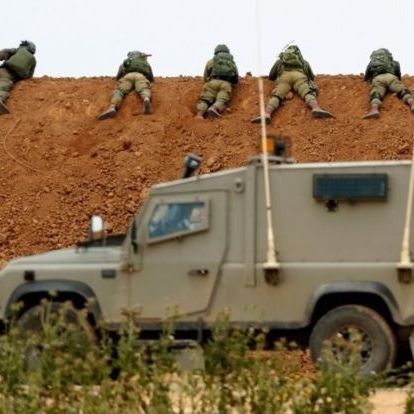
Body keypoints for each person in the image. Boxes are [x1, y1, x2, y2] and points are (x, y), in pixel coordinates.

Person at [251, 45, 333, 124]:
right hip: (299, 77)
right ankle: (315, 108)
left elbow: (271, 76)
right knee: (306, 92)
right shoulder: (303, 62)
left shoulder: (280, 61)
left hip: (285, 78)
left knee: (277, 95)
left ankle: (267, 114)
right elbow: (311, 77)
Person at [98, 51, 154, 120]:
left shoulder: (128, 61)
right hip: (140, 76)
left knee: (120, 91)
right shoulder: (145, 63)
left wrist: (118, 78)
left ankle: (112, 107)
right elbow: (151, 77)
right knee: (143, 89)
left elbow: (120, 72)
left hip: (128, 77)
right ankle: (146, 99)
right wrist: (148, 80)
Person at [363, 48, 414, 119]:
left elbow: (367, 74)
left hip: (378, 79)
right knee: (402, 90)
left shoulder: (372, 62)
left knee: (376, 93)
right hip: (391, 77)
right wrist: (397, 80)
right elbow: (398, 73)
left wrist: (366, 79)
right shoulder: (394, 62)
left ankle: (374, 109)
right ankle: (412, 103)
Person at [195, 44, 239, 119]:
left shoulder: (211, 61)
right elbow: (236, 79)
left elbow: (205, 76)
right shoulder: (232, 63)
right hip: (226, 84)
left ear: (216, 52)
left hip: (213, 82)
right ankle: (214, 108)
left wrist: (208, 82)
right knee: (221, 100)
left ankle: (199, 115)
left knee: (205, 100)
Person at [0, 40, 36, 115]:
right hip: (10, 76)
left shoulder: (17, 50)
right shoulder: (33, 60)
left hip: (3, 69)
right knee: (4, 86)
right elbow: (30, 76)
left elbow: (4, 52)